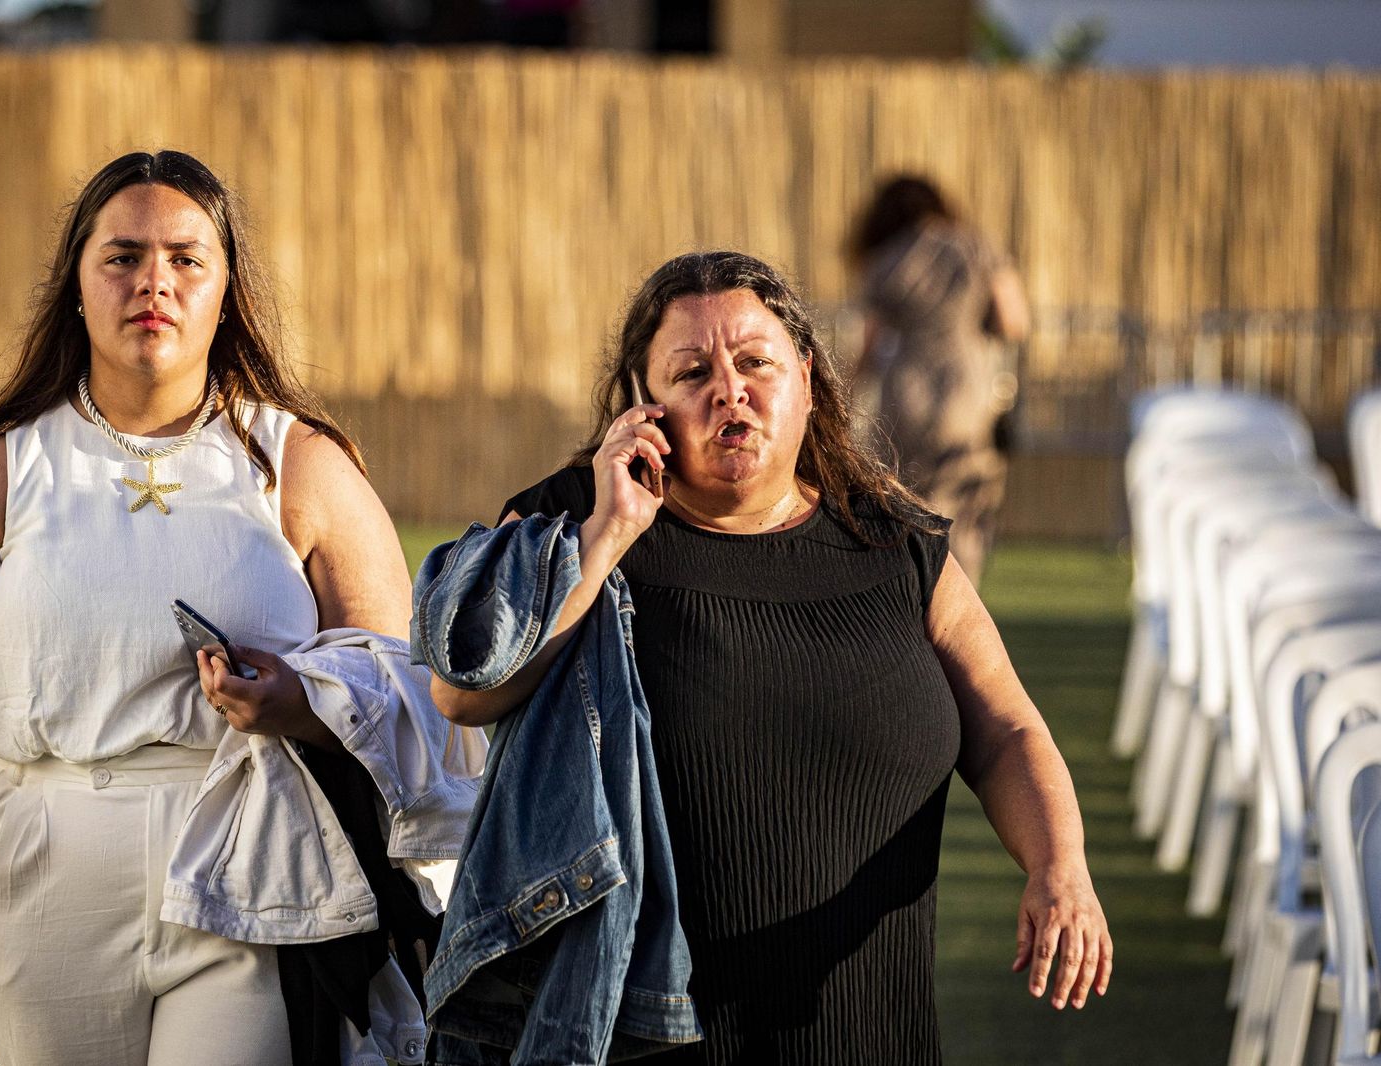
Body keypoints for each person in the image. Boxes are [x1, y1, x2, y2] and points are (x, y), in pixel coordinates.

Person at [427, 251, 1110, 1064]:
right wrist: (607, 535)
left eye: (756, 362)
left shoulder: (894, 543)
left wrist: (1060, 866)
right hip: (642, 1040)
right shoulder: (573, 520)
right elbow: (464, 692)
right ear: (644, 404)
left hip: (869, 1033)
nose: (730, 390)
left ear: (807, 379)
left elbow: (1006, 732)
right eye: (691, 373)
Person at [0, 150, 414, 1063]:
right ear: (77, 286)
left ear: (227, 292)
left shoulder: (304, 466)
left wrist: (300, 704)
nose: (153, 283)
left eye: (186, 259)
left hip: (253, 866)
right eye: (123, 257)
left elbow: (403, 692)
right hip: (40, 878)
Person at [848, 174, 1031, 584]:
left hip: (906, 394)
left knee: (904, 501)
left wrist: (843, 393)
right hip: (969, 392)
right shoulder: (977, 248)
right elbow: (1013, 321)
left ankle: (908, 592)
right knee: (964, 507)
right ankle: (959, 598)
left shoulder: (888, 259)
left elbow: (870, 346)